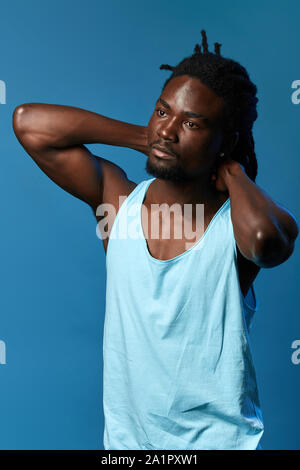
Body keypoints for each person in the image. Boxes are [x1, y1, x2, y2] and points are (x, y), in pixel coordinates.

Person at [13, 30, 298, 450]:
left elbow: (266, 242)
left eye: (192, 124)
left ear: (226, 140)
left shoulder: (233, 228)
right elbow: (29, 123)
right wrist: (145, 136)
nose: (169, 130)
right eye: (162, 112)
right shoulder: (118, 203)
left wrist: (234, 170)